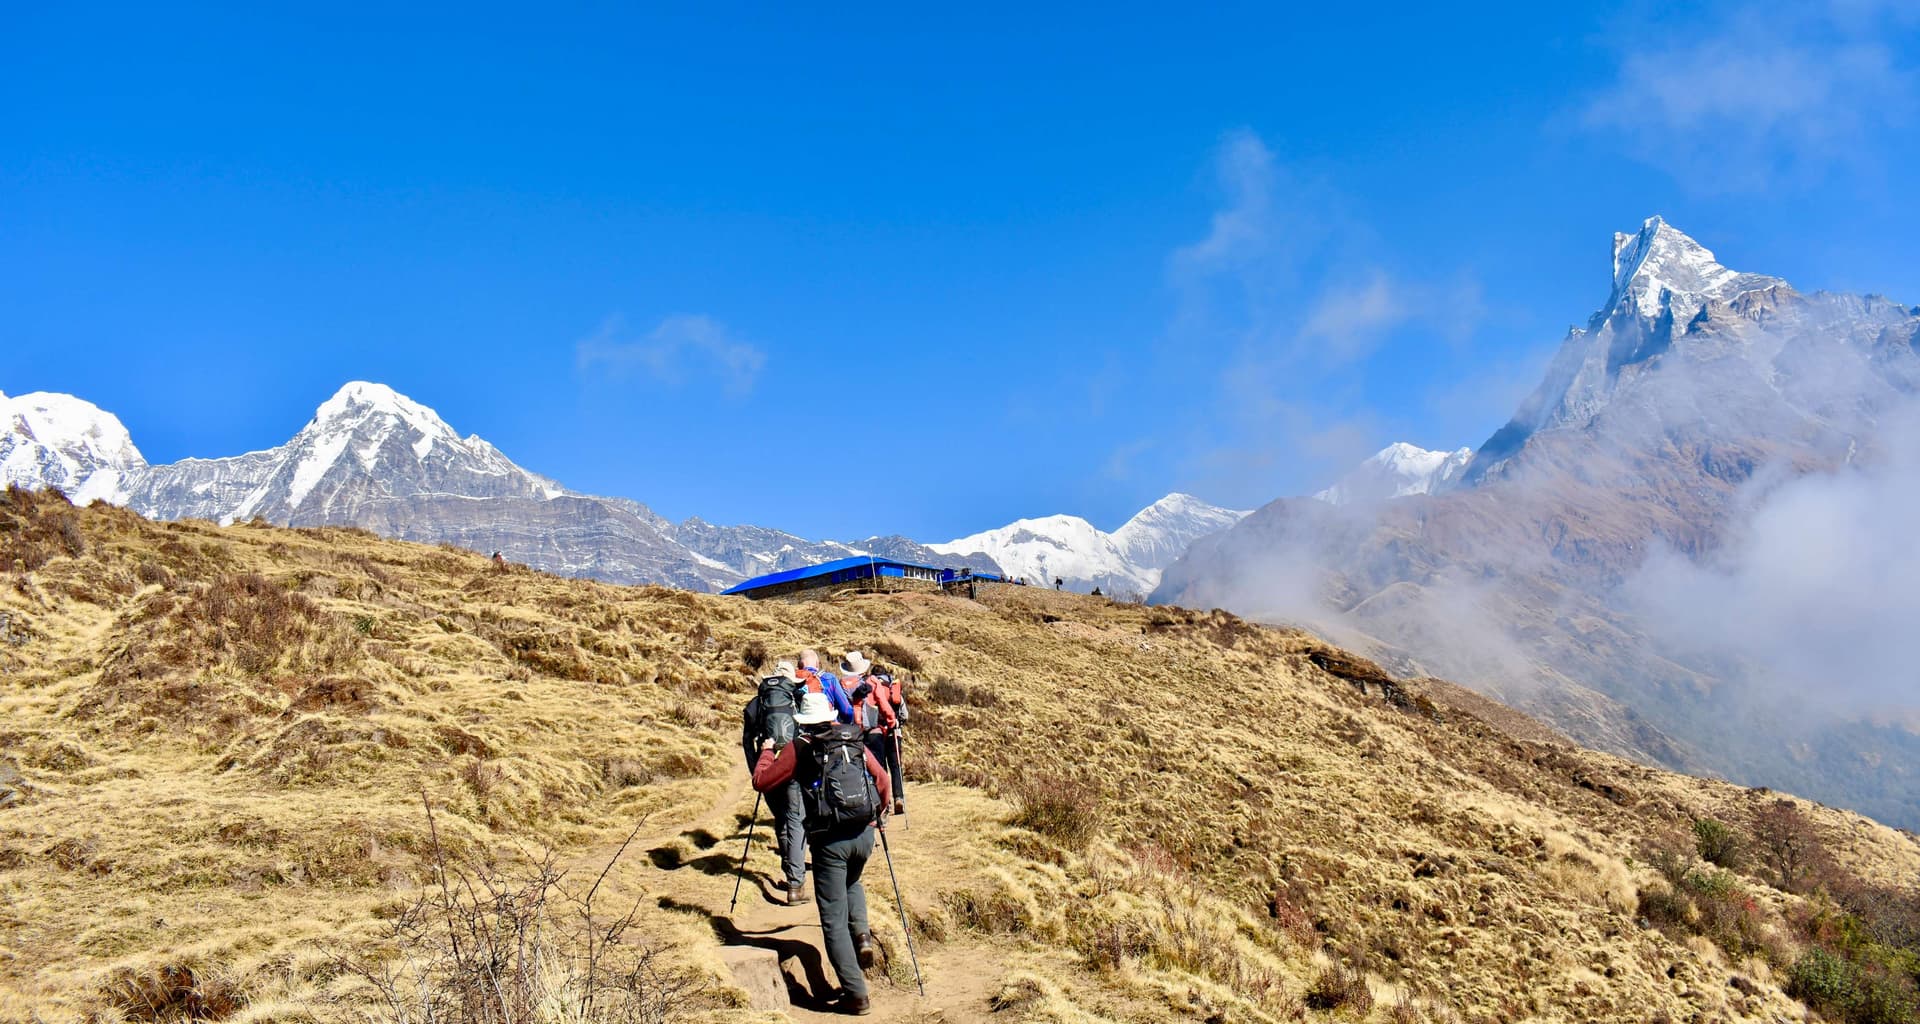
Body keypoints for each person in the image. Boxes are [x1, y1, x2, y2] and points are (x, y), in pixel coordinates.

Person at [753, 691, 892, 1016]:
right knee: (853, 882)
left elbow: (762, 781)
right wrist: (877, 816)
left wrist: (766, 752)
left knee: (832, 920)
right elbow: (882, 780)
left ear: (803, 721)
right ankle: (862, 935)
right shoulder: (851, 739)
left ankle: (857, 995)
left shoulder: (800, 746)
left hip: (830, 842)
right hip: (863, 833)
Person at [740, 660, 811, 905]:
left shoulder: (756, 704)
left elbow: (747, 740)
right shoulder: (798, 700)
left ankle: (789, 871)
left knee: (781, 819)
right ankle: (795, 884)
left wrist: (756, 769)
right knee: (796, 820)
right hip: (794, 767)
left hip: (768, 765)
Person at [797, 648, 856, 724]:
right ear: (817, 664)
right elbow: (846, 711)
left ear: (799, 665)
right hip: (828, 726)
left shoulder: (792, 681)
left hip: (803, 726)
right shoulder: (829, 679)